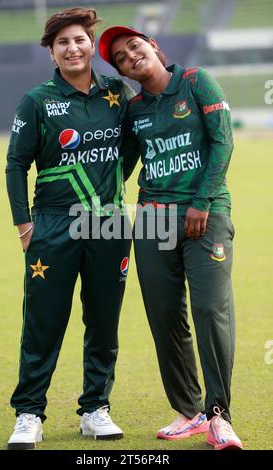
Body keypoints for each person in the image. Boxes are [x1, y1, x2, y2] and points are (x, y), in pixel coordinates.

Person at [98, 26, 243, 450]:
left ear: (154, 47)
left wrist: (202, 201)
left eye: (134, 48)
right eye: (121, 59)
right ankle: (190, 411)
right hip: (152, 220)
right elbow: (120, 165)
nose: (130, 58)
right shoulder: (135, 107)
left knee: (209, 311)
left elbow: (223, 141)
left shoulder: (196, 82)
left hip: (205, 215)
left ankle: (219, 416)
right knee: (164, 316)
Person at [5, 9, 134, 450]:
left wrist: (110, 190)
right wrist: (25, 224)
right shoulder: (37, 100)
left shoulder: (117, 91)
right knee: (43, 322)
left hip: (110, 224)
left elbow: (131, 149)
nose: (72, 48)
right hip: (53, 226)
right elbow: (16, 164)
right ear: (51, 52)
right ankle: (28, 413)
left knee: (103, 321)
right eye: (62, 43)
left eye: (79, 40)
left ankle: (95, 409)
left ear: (90, 44)